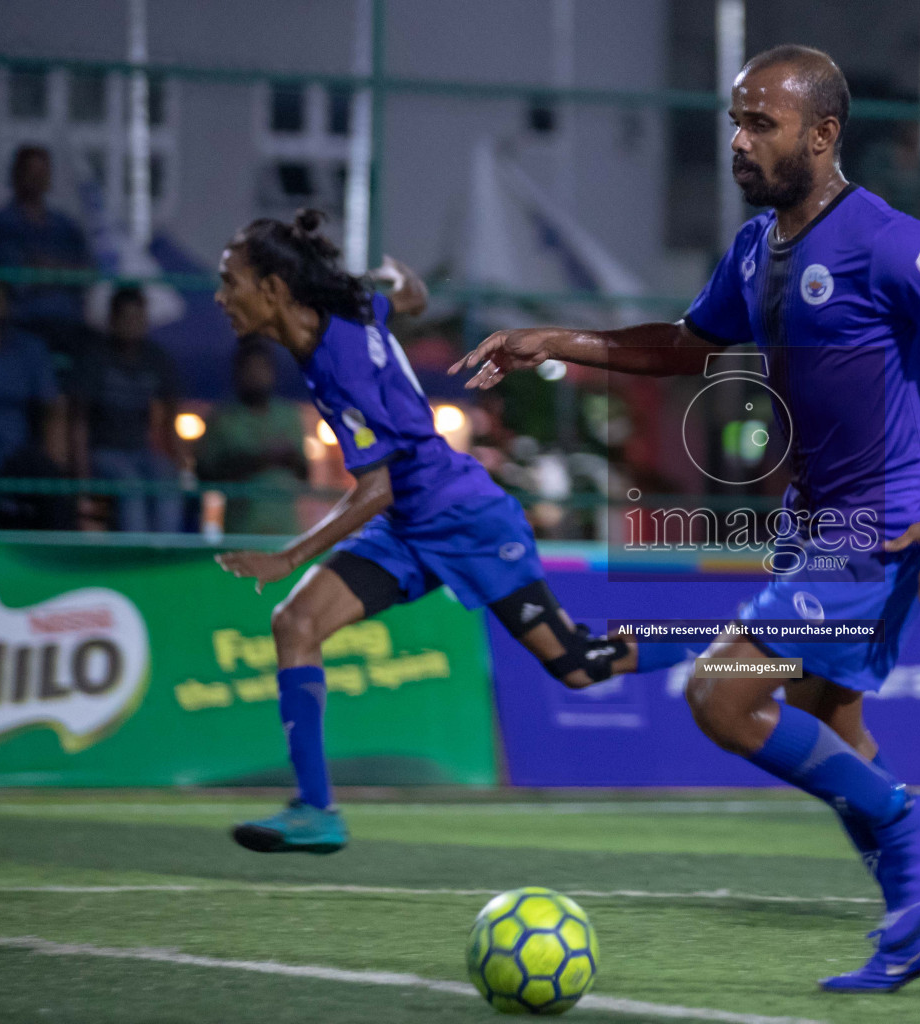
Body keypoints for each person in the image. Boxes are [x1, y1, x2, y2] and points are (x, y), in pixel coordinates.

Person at [451, 45, 920, 992]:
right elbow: (688, 345)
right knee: (828, 721)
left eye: (760, 122)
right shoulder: (757, 248)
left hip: (879, 529)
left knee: (719, 694)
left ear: (823, 134)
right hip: (815, 529)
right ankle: (918, 919)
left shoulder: (884, 237)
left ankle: (910, 823)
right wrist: (553, 338)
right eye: (734, 120)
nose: (738, 140)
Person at [212, 210, 635, 855]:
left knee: (576, 666)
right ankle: (316, 811)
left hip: (464, 518)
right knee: (295, 626)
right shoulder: (347, 316)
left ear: (272, 290)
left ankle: (711, 653)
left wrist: (288, 556)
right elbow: (410, 293)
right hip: (407, 525)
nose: (220, 297)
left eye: (229, 281)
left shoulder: (339, 359)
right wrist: (386, 279)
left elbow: (375, 486)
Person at [69, 287, 184, 533]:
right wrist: (82, 476)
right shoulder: (94, 358)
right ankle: (135, 556)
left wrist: (181, 465)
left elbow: (171, 418)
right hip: (103, 453)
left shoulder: (156, 358)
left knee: (167, 479)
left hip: (141, 452)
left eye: (139, 318)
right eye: (127, 318)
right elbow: (79, 421)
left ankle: (164, 551)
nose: (133, 324)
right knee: (131, 484)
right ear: (112, 320)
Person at [0, 279, 71, 529]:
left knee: (50, 477)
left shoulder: (29, 348)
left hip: (16, 449)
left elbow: (52, 405)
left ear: (7, 305)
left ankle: (55, 557)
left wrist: (54, 455)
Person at [0, 146, 93, 351]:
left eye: (43, 173)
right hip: (20, 320)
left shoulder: (65, 226)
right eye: (31, 173)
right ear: (16, 175)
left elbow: (87, 270)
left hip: (68, 321)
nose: (37, 179)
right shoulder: (1, 223)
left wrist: (46, 266)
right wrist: (59, 271)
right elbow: (10, 274)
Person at [198, 341, 309, 535]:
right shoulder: (224, 419)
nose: (256, 375)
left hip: (285, 531)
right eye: (249, 368)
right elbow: (206, 474)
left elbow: (304, 473)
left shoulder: (289, 416)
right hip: (241, 532)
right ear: (237, 373)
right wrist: (262, 459)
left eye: (261, 368)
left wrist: (288, 457)